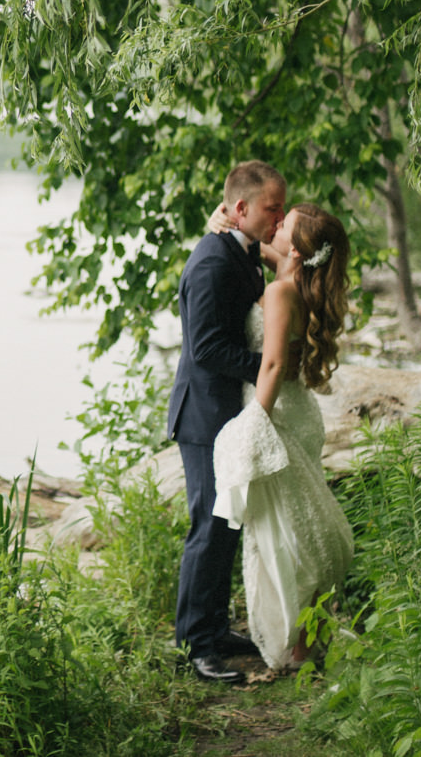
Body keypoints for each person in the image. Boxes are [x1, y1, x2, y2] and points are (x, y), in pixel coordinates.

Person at [212, 203, 355, 670]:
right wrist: (224, 224)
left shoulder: (280, 292)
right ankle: (307, 642)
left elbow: (271, 364)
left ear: (294, 247)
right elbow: (260, 248)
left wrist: (256, 418)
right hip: (301, 411)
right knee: (300, 529)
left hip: (278, 414)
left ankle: (301, 647)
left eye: (282, 225)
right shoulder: (301, 279)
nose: (272, 228)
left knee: (289, 536)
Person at [166, 160, 286, 683]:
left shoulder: (240, 250)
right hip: (204, 413)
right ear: (241, 209)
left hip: (226, 411)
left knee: (227, 523)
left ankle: (215, 629)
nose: (278, 216)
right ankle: (195, 645)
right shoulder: (212, 262)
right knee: (208, 528)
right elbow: (208, 347)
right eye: (271, 207)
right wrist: (269, 369)